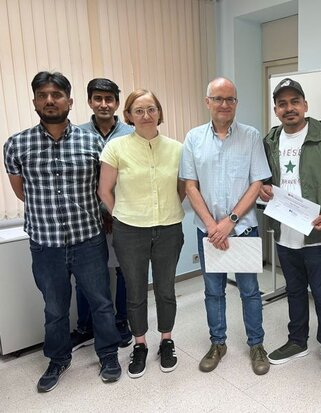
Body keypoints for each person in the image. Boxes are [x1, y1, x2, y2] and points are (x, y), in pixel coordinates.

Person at [3, 71, 122, 392]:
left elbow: (103, 188)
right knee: (55, 309)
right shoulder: (16, 144)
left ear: (70, 101)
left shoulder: (93, 142)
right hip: (46, 244)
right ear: (34, 102)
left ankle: (108, 355)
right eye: (43, 95)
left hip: (88, 240)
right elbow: (21, 192)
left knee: (101, 302)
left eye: (56, 94)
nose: (50, 100)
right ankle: (58, 359)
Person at [260, 78, 321, 384]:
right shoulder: (270, 140)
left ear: (305, 105)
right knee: (295, 291)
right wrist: (263, 187)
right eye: (282, 104)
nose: (289, 108)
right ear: (276, 109)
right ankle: (297, 341)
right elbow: (263, 178)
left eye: (294, 102)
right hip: (284, 232)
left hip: (317, 234)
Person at [180, 77, 271, 376]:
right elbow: (190, 185)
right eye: (218, 98)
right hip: (208, 232)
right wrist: (212, 225)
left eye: (230, 99)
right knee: (213, 291)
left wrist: (229, 222)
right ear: (207, 102)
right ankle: (217, 343)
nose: (224, 104)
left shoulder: (251, 136)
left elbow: (257, 183)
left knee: (250, 291)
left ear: (236, 103)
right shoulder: (194, 138)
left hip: (242, 228)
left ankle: (256, 345)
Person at [97, 89, 185, 378]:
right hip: (129, 232)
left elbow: (182, 189)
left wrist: (167, 210)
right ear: (129, 116)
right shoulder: (116, 148)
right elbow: (104, 190)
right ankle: (140, 344)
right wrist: (122, 215)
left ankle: (166, 340)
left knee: (165, 289)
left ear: (159, 112)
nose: (146, 115)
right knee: (135, 292)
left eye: (151, 109)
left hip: (169, 229)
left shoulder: (177, 149)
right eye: (139, 110)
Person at [72, 78, 134, 351]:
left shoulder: (131, 134)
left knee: (125, 271)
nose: (104, 104)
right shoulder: (77, 135)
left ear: (117, 103)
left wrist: (114, 211)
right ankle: (86, 327)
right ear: (89, 102)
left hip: (124, 216)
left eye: (109, 99)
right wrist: (102, 210)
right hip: (89, 218)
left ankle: (121, 322)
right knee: (86, 275)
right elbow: (79, 181)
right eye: (98, 98)